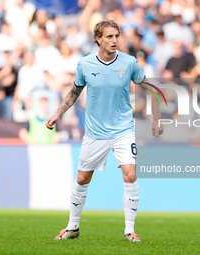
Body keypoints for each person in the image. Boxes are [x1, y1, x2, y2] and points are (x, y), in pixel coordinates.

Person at [46, 19, 163, 242]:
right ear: (98, 39)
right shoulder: (85, 64)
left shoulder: (129, 63)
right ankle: (72, 227)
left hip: (123, 130)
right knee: (82, 179)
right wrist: (57, 114)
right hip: (95, 133)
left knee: (130, 174)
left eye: (117, 36)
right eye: (109, 36)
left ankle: (130, 230)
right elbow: (74, 92)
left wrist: (157, 118)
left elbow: (151, 89)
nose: (114, 40)